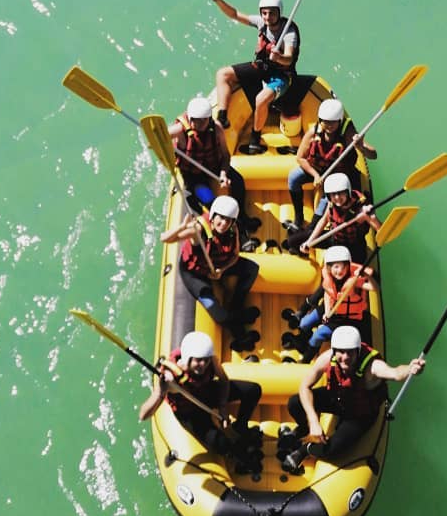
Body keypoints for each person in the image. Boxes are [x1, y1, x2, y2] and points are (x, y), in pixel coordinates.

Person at [278, 325, 424, 474]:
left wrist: (410, 369)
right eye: (341, 352)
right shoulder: (327, 358)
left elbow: (395, 373)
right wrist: (313, 421)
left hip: (359, 414)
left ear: (358, 351)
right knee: (294, 403)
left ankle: (306, 450)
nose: (346, 357)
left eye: (350, 352)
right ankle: (303, 428)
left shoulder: (371, 366)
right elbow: (305, 386)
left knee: (333, 450)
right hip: (338, 398)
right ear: (334, 351)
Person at [140, 330, 262, 472]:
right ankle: (237, 456)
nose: (203, 364)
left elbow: (223, 380)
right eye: (198, 360)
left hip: (207, 393)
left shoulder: (210, 360)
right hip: (190, 412)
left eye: (206, 359)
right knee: (221, 443)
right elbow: (143, 415)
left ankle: (240, 426)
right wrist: (161, 391)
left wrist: (223, 407)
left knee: (253, 390)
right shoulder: (171, 376)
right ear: (188, 358)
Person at [161, 194, 260, 351]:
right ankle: (236, 323)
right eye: (220, 218)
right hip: (195, 274)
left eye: (228, 220)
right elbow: (165, 239)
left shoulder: (233, 229)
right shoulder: (198, 230)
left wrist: (222, 270)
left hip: (218, 266)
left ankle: (236, 306)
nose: (224, 223)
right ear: (213, 216)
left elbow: (234, 255)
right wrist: (182, 226)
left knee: (252, 269)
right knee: (221, 316)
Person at [209, 0, 299, 154]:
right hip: (261, 68)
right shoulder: (261, 23)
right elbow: (235, 14)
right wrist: (218, 1)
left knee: (260, 99)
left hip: (281, 76)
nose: (267, 17)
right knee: (223, 74)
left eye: (272, 13)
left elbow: (289, 58)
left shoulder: (289, 31)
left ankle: (255, 138)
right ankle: (222, 117)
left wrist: (279, 57)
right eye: (264, 13)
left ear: (279, 13)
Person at [169, 96, 259, 238]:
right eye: (195, 120)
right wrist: (160, 141)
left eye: (203, 120)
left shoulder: (216, 129)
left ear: (208, 119)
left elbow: (226, 156)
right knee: (210, 200)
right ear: (190, 118)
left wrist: (223, 173)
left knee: (238, 181)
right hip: (194, 176)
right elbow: (162, 135)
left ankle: (241, 215)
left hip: (214, 167)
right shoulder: (180, 131)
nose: (198, 124)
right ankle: (229, 232)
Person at [285, 98, 376, 229]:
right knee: (293, 177)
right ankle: (298, 217)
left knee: (327, 200)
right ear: (320, 120)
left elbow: (373, 155)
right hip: (317, 170)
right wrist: (315, 175)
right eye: (325, 122)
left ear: (339, 121)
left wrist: (361, 146)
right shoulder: (313, 133)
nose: (329, 125)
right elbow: (300, 158)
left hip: (337, 177)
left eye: (333, 122)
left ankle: (312, 227)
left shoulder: (348, 134)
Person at [283, 245, 375, 357]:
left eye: (343, 267)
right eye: (336, 267)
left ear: (348, 266)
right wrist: (327, 311)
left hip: (345, 319)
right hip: (330, 308)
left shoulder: (355, 280)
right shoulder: (328, 278)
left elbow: (374, 287)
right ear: (329, 268)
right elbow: (327, 294)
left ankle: (308, 355)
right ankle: (303, 341)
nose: (340, 271)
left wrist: (366, 275)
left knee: (317, 336)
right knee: (304, 323)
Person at [291, 172, 380, 263]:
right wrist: (309, 241)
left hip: (354, 247)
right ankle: (302, 252)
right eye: (333, 194)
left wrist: (372, 218)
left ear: (347, 192)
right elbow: (324, 220)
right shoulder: (332, 203)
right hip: (334, 238)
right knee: (293, 240)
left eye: (340, 193)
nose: (337, 198)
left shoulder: (361, 209)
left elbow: (380, 230)